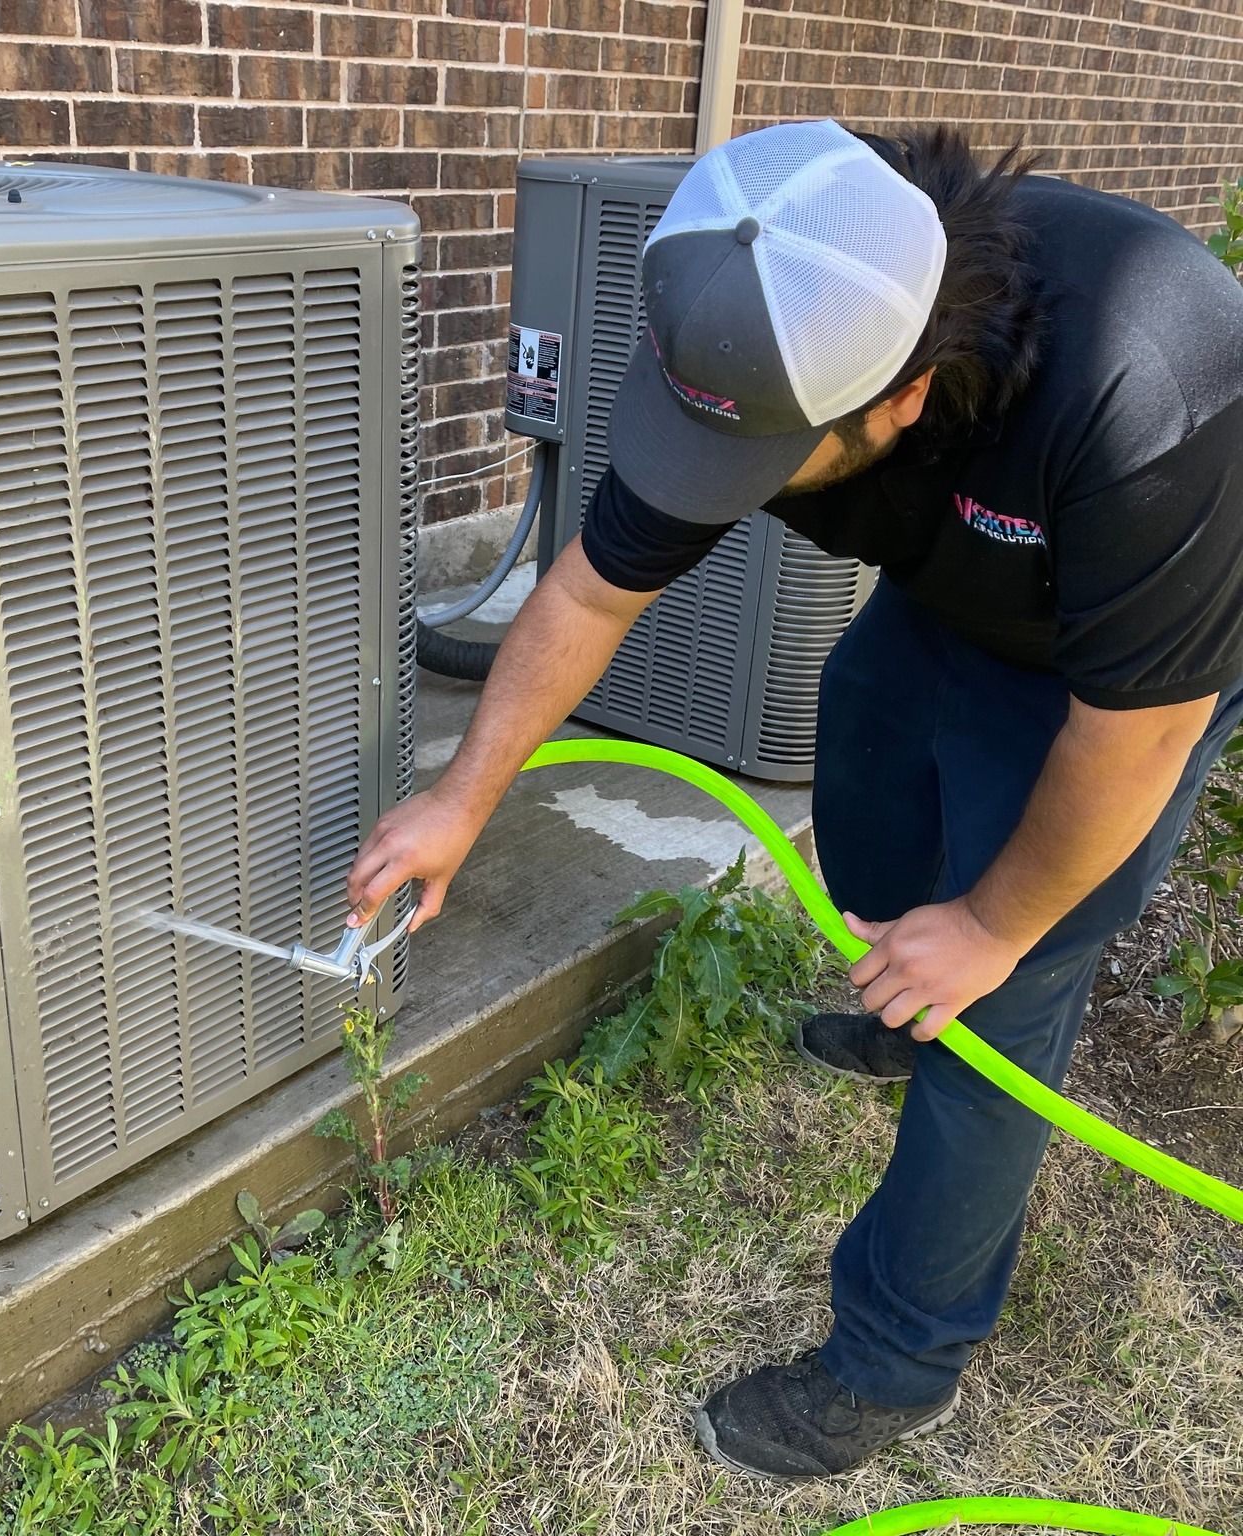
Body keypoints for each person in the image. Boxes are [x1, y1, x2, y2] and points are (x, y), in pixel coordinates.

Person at [346, 119, 1243, 1480]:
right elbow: (592, 583)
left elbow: (1138, 735)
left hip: (1124, 675)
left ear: (900, 401)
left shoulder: (1151, 392)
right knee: (873, 820)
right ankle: (908, 996)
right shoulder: (779, 282)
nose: (717, 488)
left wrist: (995, 928)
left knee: (1002, 993)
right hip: (951, 593)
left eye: (760, 458)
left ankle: (899, 1359)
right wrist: (465, 794)